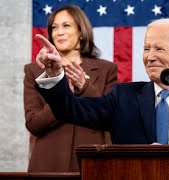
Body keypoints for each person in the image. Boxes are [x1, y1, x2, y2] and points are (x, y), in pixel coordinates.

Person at [33, 18, 169, 146]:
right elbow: (70, 110)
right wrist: (55, 74)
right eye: (147, 49)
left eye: (159, 49)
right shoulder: (123, 98)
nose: (150, 56)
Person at [24, 5, 117, 172]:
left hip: (93, 162)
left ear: (81, 32)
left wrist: (85, 86)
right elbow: (33, 124)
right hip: (49, 164)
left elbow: (110, 118)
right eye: (54, 27)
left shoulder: (107, 69)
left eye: (66, 25)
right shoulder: (34, 71)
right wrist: (58, 91)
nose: (59, 32)